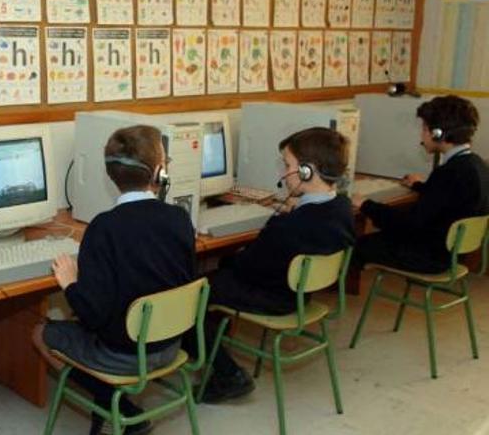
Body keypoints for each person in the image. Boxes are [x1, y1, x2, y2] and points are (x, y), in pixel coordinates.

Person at [32, 125, 197, 435]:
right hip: (172, 346)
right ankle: (115, 407)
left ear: (110, 174)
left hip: (125, 357)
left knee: (41, 332)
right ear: (159, 173)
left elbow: (93, 315)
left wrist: (70, 282)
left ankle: (113, 407)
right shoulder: (179, 218)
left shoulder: (104, 228)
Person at [189, 127, 355, 402]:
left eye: (287, 165)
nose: (282, 173)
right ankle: (214, 346)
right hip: (300, 293)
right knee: (221, 274)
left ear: (306, 171)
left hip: (275, 298)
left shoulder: (290, 226)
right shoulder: (342, 208)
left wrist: (245, 248)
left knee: (195, 293)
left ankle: (228, 374)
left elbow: (247, 266)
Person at [352, 95, 489, 274]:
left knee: (357, 244)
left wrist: (365, 205)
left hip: (431, 257)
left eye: (424, 128)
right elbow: (448, 199)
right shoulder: (476, 164)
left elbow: (410, 224)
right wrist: (420, 186)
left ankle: (332, 292)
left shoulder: (448, 173)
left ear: (437, 133)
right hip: (454, 252)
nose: (421, 135)